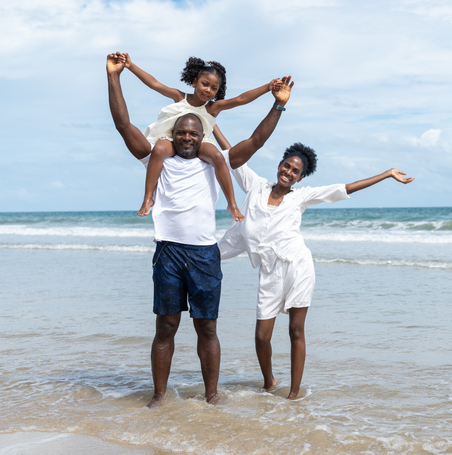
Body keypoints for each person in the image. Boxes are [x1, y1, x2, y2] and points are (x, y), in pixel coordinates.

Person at [106, 52, 294, 405]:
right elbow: (123, 125)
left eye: (194, 133)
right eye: (182, 132)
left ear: (201, 135)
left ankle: (212, 395)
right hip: (169, 253)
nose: (188, 137)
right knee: (165, 328)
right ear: (173, 134)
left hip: (205, 254)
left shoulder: (214, 161)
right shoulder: (156, 158)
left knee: (207, 328)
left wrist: (277, 106)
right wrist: (115, 76)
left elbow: (254, 142)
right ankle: (159, 396)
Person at [217, 140, 414, 399]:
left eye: (294, 171)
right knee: (261, 336)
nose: (288, 172)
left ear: (300, 177)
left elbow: (344, 188)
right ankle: (269, 381)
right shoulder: (255, 186)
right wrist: (211, 120)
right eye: (286, 166)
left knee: (296, 330)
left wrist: (387, 174)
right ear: (279, 165)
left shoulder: (301, 196)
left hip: (298, 266)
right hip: (269, 270)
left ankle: (294, 394)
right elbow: (234, 154)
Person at [116, 52, 281, 221]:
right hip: (171, 137)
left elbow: (241, 99)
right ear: (195, 82)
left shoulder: (213, 108)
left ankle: (232, 203)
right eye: (205, 84)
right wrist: (131, 66)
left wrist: (267, 87)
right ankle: (148, 198)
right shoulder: (180, 97)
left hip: (200, 141)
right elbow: (154, 84)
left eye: (213, 88)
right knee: (158, 150)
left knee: (218, 156)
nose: (208, 90)